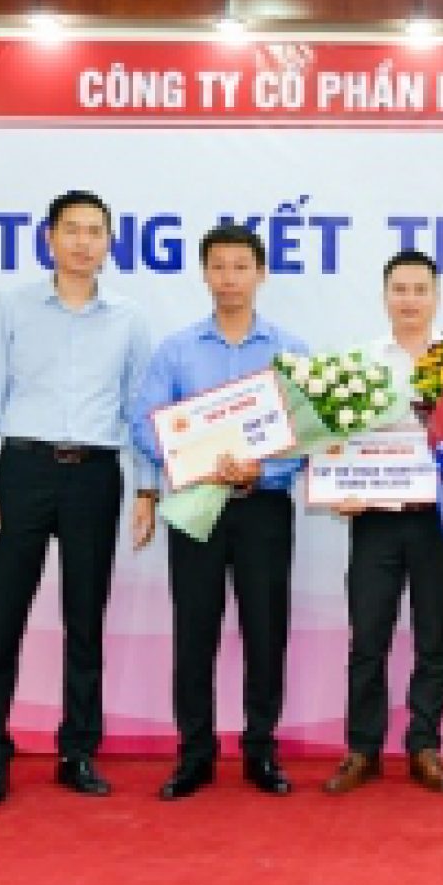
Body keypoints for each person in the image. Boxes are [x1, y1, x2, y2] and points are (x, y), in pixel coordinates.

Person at [0, 190, 156, 806]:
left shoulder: (129, 318)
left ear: (109, 242)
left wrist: (147, 486)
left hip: (94, 475)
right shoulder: (10, 306)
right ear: (49, 238)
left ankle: (77, 750)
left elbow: (138, 409)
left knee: (85, 618)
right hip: (22, 470)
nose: (84, 242)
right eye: (72, 230)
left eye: (95, 231)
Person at [132, 224, 306, 800]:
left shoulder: (290, 352)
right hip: (194, 507)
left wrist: (264, 469)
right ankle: (195, 753)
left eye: (240, 267)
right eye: (219, 266)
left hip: (263, 507)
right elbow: (144, 425)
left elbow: (306, 436)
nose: (229, 278)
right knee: (194, 629)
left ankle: (261, 750)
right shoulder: (177, 350)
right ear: (204, 273)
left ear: (261, 274)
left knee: (266, 630)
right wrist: (195, 461)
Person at [323, 250, 443, 795]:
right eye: (400, 289)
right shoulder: (359, 363)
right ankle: (362, 749)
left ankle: (424, 745)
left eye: (420, 290)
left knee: (434, 638)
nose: (410, 300)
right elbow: (334, 441)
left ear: (436, 297)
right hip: (375, 521)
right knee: (368, 638)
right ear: (385, 296)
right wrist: (337, 487)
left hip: (438, 519)